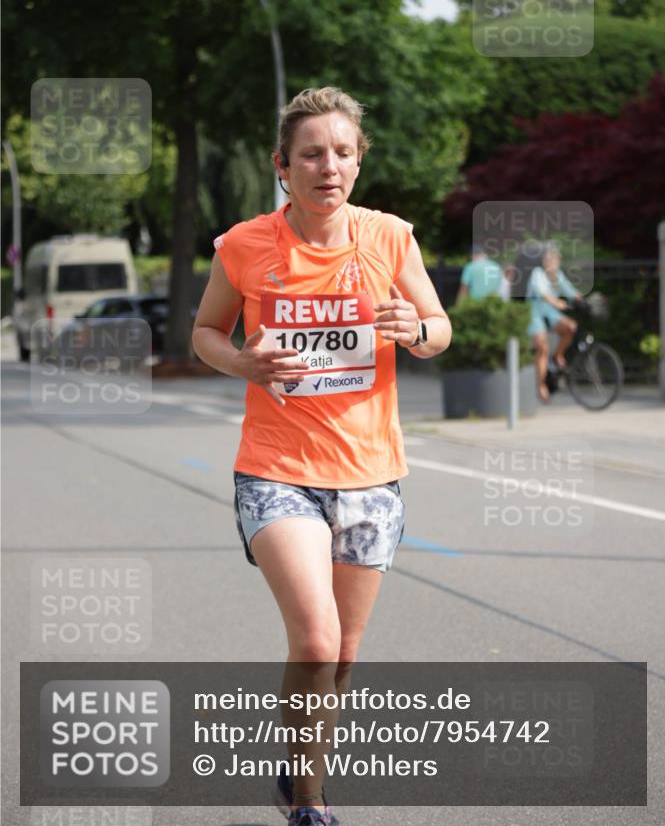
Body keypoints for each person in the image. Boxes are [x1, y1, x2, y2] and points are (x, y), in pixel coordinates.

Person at [192, 87, 452, 826]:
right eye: (311, 153)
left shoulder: (390, 238)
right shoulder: (244, 246)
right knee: (315, 636)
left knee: (341, 656)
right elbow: (205, 332)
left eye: (342, 152)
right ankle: (309, 803)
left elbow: (439, 327)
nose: (327, 166)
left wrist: (417, 328)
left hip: (371, 474)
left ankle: (295, 769)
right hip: (276, 469)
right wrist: (242, 362)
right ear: (283, 166)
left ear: (358, 163)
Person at [526, 244, 581, 402]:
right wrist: (557, 302)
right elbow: (542, 293)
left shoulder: (558, 275)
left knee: (571, 327)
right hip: (535, 311)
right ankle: (541, 386)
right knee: (542, 348)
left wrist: (583, 301)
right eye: (547, 258)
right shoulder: (537, 274)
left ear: (558, 261)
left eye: (553, 258)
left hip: (550, 312)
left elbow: (570, 291)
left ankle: (558, 356)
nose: (550, 261)